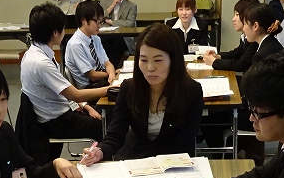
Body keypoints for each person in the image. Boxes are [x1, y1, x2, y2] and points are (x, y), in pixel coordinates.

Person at [80, 24, 202, 163]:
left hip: (174, 161)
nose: (150, 68)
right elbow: (115, 135)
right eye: (143, 60)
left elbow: (186, 139)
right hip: (135, 158)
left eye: (158, 60)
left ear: (173, 60)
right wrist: (99, 152)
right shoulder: (129, 88)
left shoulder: (191, 91)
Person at [20, 3, 107, 142]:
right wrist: (110, 89)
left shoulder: (34, 53)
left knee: (104, 113)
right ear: (55, 32)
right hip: (56, 121)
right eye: (63, 28)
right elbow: (75, 94)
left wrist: (85, 106)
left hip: (59, 111)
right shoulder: (41, 63)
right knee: (105, 124)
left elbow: (64, 91)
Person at [64, 0, 116, 89]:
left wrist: (112, 74)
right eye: (97, 21)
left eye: (101, 21)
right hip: (89, 89)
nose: (99, 25)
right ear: (84, 20)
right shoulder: (75, 44)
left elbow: (107, 63)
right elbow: (92, 75)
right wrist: (110, 74)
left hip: (101, 82)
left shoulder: (95, 38)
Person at [202, 0, 259, 72]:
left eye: (237, 15)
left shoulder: (254, 38)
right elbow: (238, 52)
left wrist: (214, 62)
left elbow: (241, 64)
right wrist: (218, 56)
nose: (233, 19)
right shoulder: (245, 35)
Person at [99, 0, 138, 66]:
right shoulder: (104, 2)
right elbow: (99, 18)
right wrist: (112, 5)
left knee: (117, 44)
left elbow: (129, 23)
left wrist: (112, 22)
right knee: (102, 41)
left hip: (123, 36)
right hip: (106, 34)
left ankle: (109, 70)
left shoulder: (131, 6)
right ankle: (106, 69)